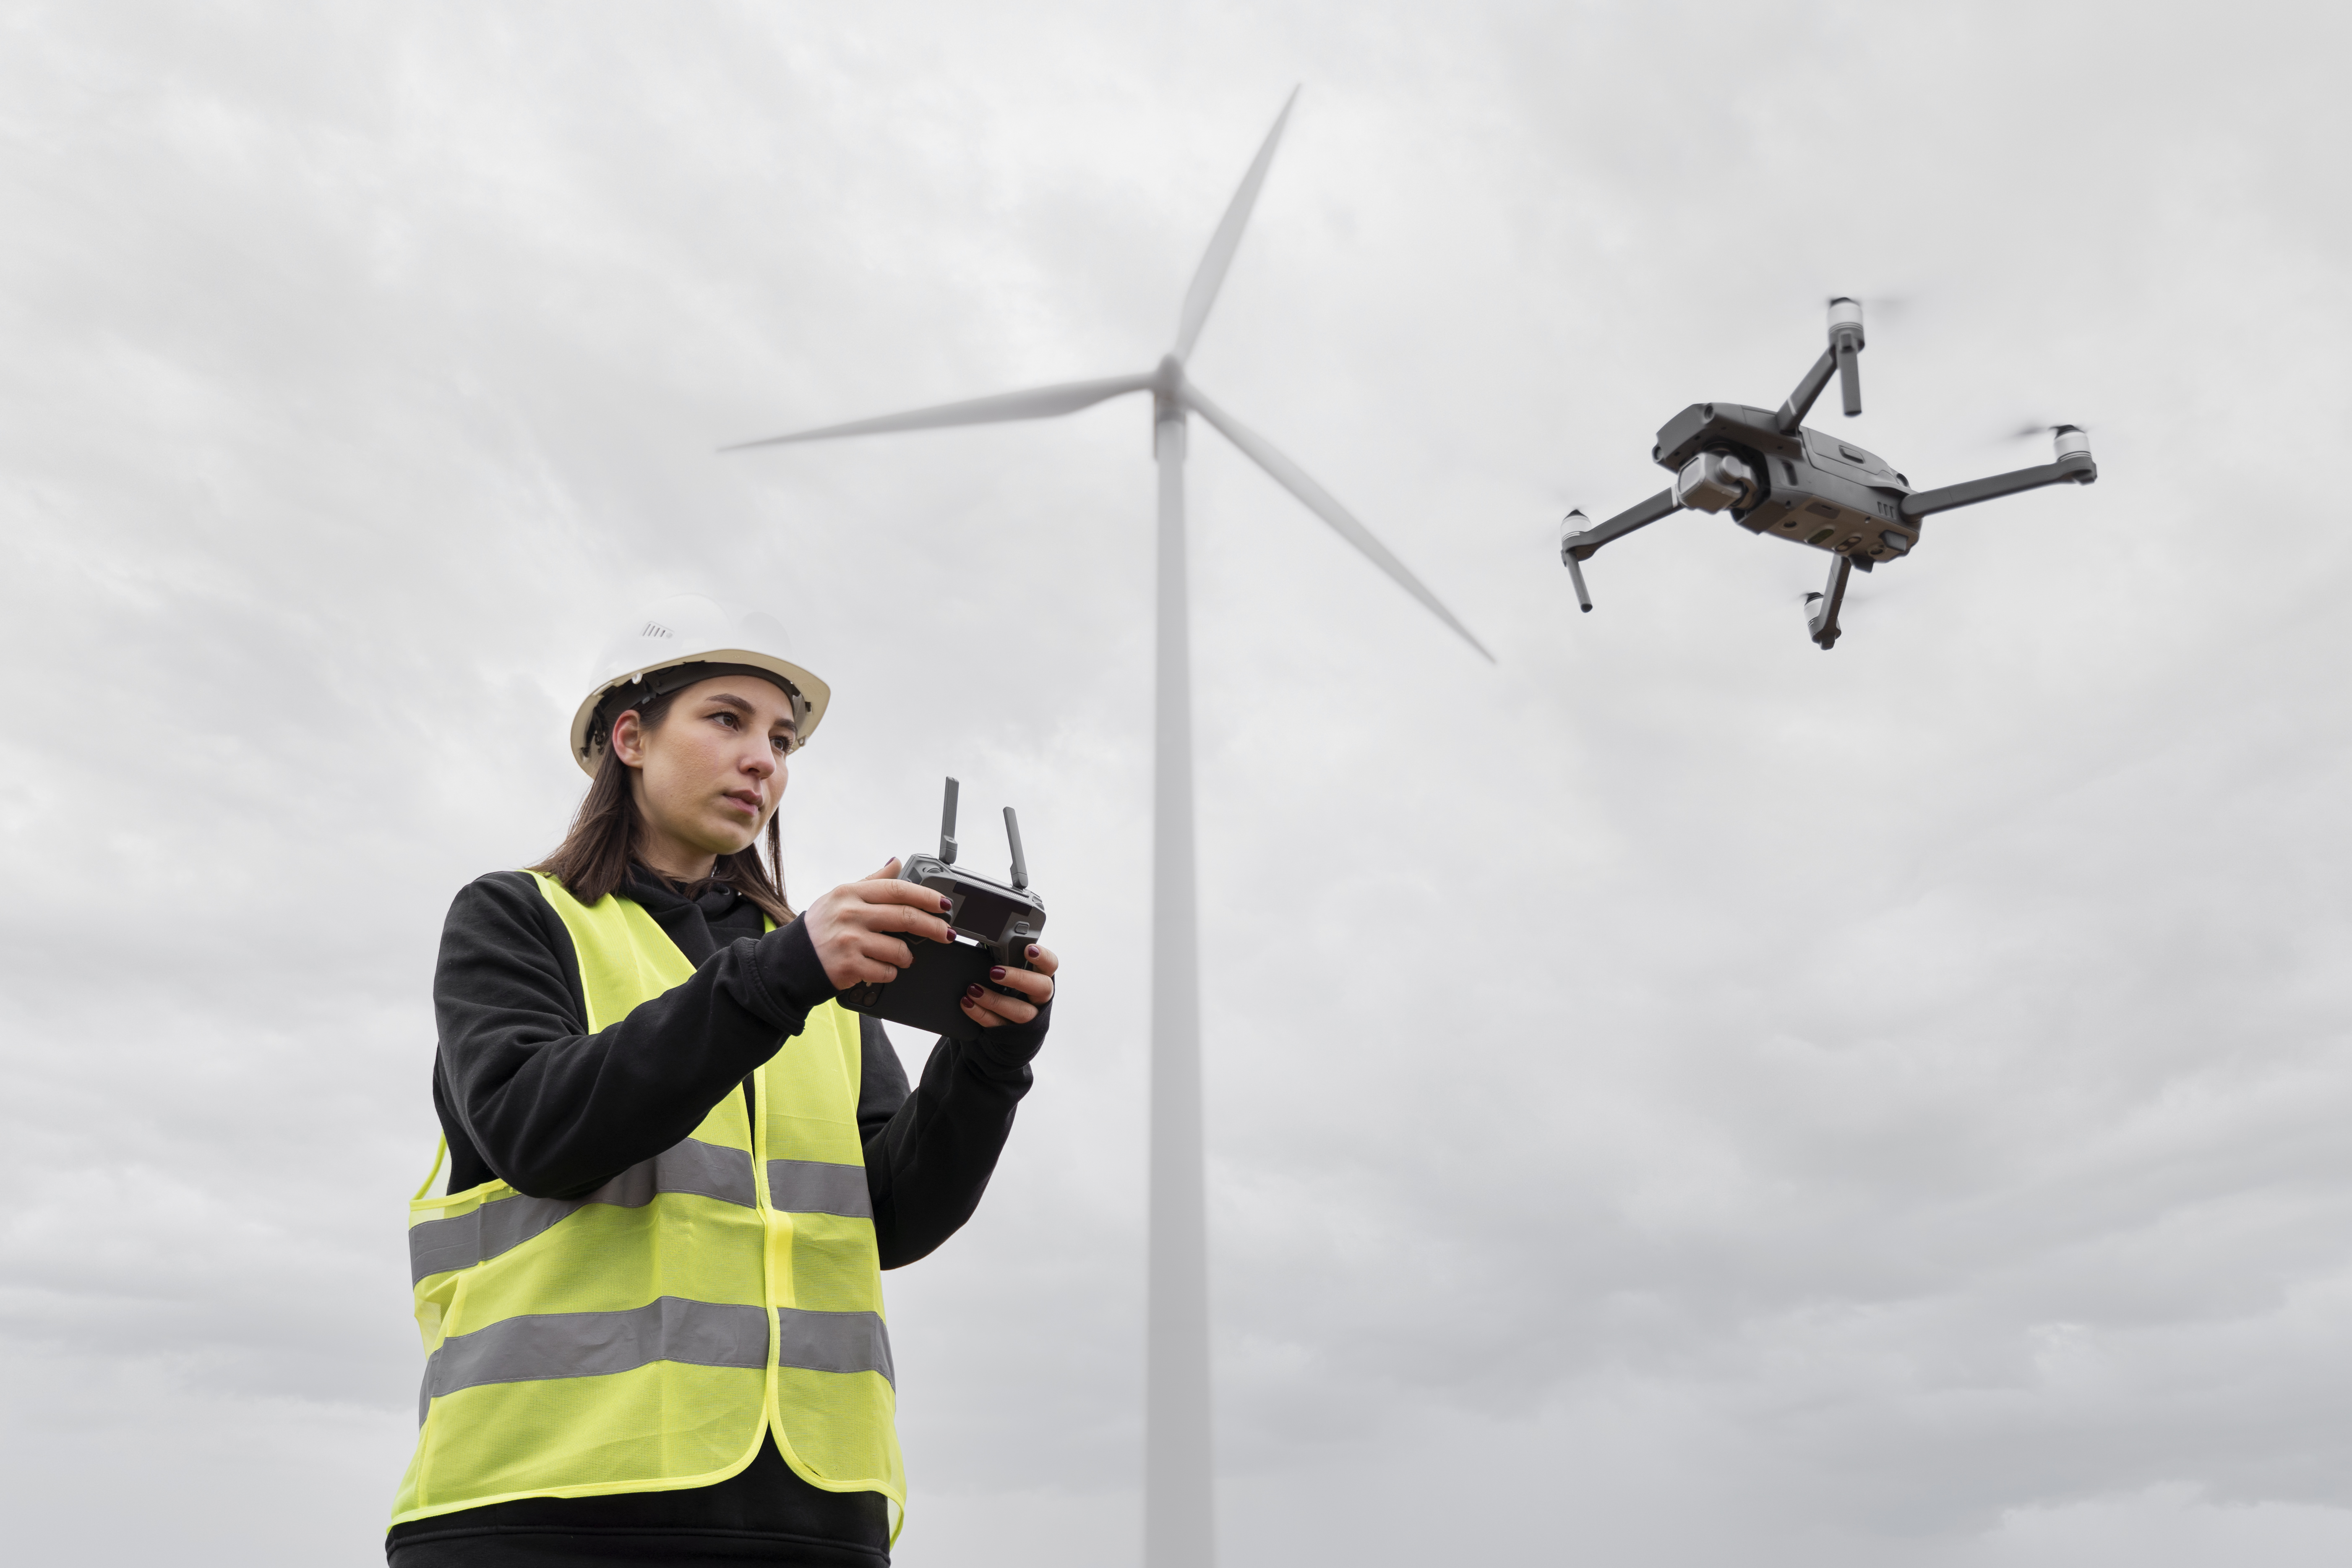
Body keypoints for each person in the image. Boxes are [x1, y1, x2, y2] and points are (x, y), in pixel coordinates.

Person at [387, 594, 1059, 1568]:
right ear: (629, 737)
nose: (764, 761)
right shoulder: (518, 919)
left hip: (816, 1516)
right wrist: (786, 974)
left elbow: (896, 1220)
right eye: (726, 720)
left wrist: (988, 1063)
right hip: (547, 1507)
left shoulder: (815, 969)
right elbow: (538, 1133)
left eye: (783, 740)